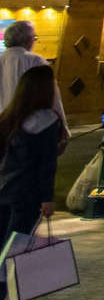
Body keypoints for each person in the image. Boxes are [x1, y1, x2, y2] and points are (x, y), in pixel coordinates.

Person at [0, 65, 65, 240]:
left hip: (5, 188)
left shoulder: (9, 117)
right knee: (16, 244)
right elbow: (47, 163)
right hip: (29, 193)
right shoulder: (48, 120)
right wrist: (47, 198)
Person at [0, 23, 64, 127]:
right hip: (31, 127)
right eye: (34, 38)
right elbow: (52, 94)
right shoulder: (35, 61)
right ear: (27, 39)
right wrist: (63, 126)